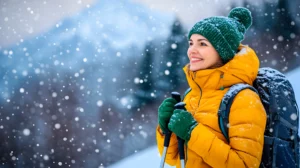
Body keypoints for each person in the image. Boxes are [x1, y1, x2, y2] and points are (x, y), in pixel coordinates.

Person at [156, 7, 267, 168]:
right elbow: (173, 159)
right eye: (191, 43)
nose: (192, 50)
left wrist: (192, 131)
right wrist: (166, 129)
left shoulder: (244, 99)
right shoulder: (191, 96)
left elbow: (244, 165)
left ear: (222, 51)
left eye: (202, 44)